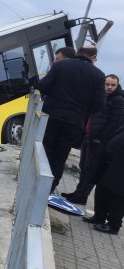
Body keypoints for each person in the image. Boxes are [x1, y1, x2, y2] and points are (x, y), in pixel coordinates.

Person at [39, 45, 105, 194]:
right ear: (93, 57)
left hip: (52, 116)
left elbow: (43, 86)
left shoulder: (60, 65)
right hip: (75, 122)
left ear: (78, 52)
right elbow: (99, 105)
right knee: (60, 155)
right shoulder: (99, 75)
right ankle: (49, 188)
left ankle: (37, 180)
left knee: (44, 150)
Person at [62, 74, 124, 204]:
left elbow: (115, 123)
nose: (109, 87)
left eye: (113, 85)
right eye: (107, 84)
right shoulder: (101, 97)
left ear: (117, 86)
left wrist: (100, 138)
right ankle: (78, 192)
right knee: (83, 166)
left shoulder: (118, 100)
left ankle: (82, 196)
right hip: (89, 136)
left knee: (91, 169)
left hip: (99, 140)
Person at [85, 127, 124, 234]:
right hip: (112, 164)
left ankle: (113, 225)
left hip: (120, 168)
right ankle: (99, 216)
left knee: (118, 196)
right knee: (102, 189)